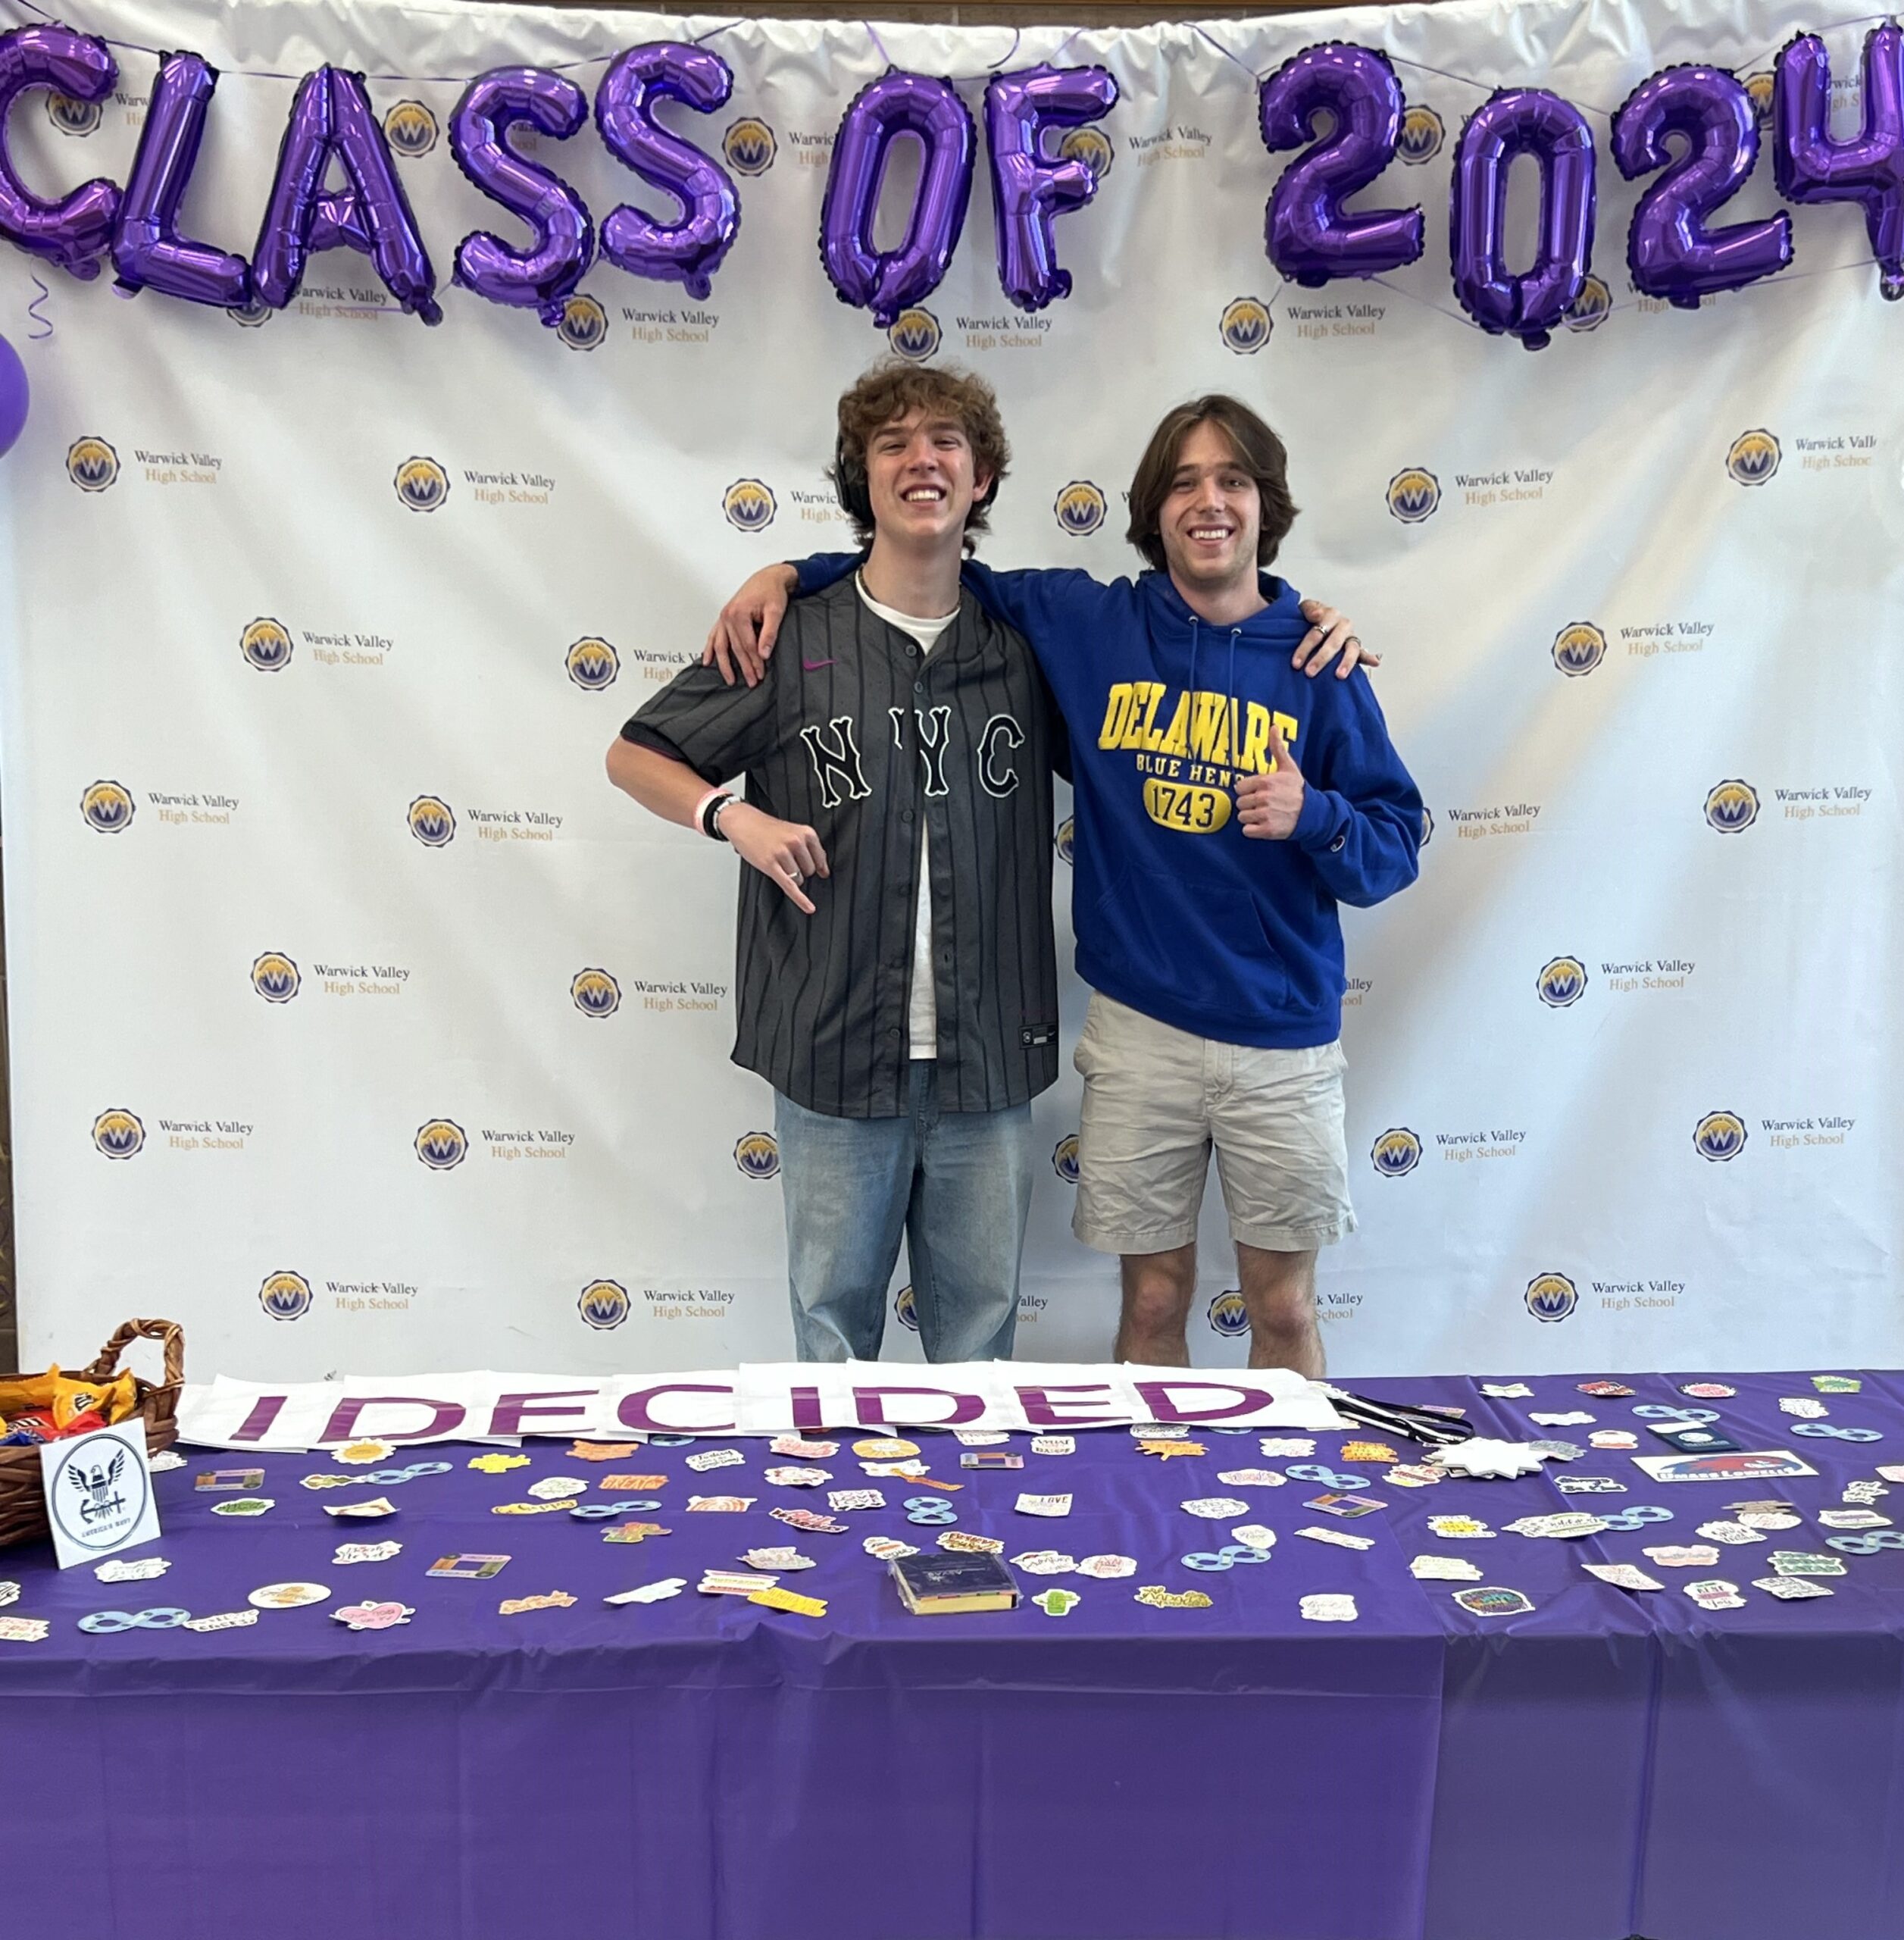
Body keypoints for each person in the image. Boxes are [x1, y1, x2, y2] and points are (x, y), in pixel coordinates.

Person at [708, 394, 1420, 1378]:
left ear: (1266, 505)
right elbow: (926, 562)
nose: (1206, 502)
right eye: (1182, 482)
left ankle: (1289, 1506)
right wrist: (787, 571)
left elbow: (1394, 848)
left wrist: (1319, 819)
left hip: (1282, 1039)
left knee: (1286, 1310)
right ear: (1149, 511)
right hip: (1138, 1034)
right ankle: (1159, 1507)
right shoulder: (1088, 622)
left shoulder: (1316, 659)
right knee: (1158, 1295)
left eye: (1231, 481)